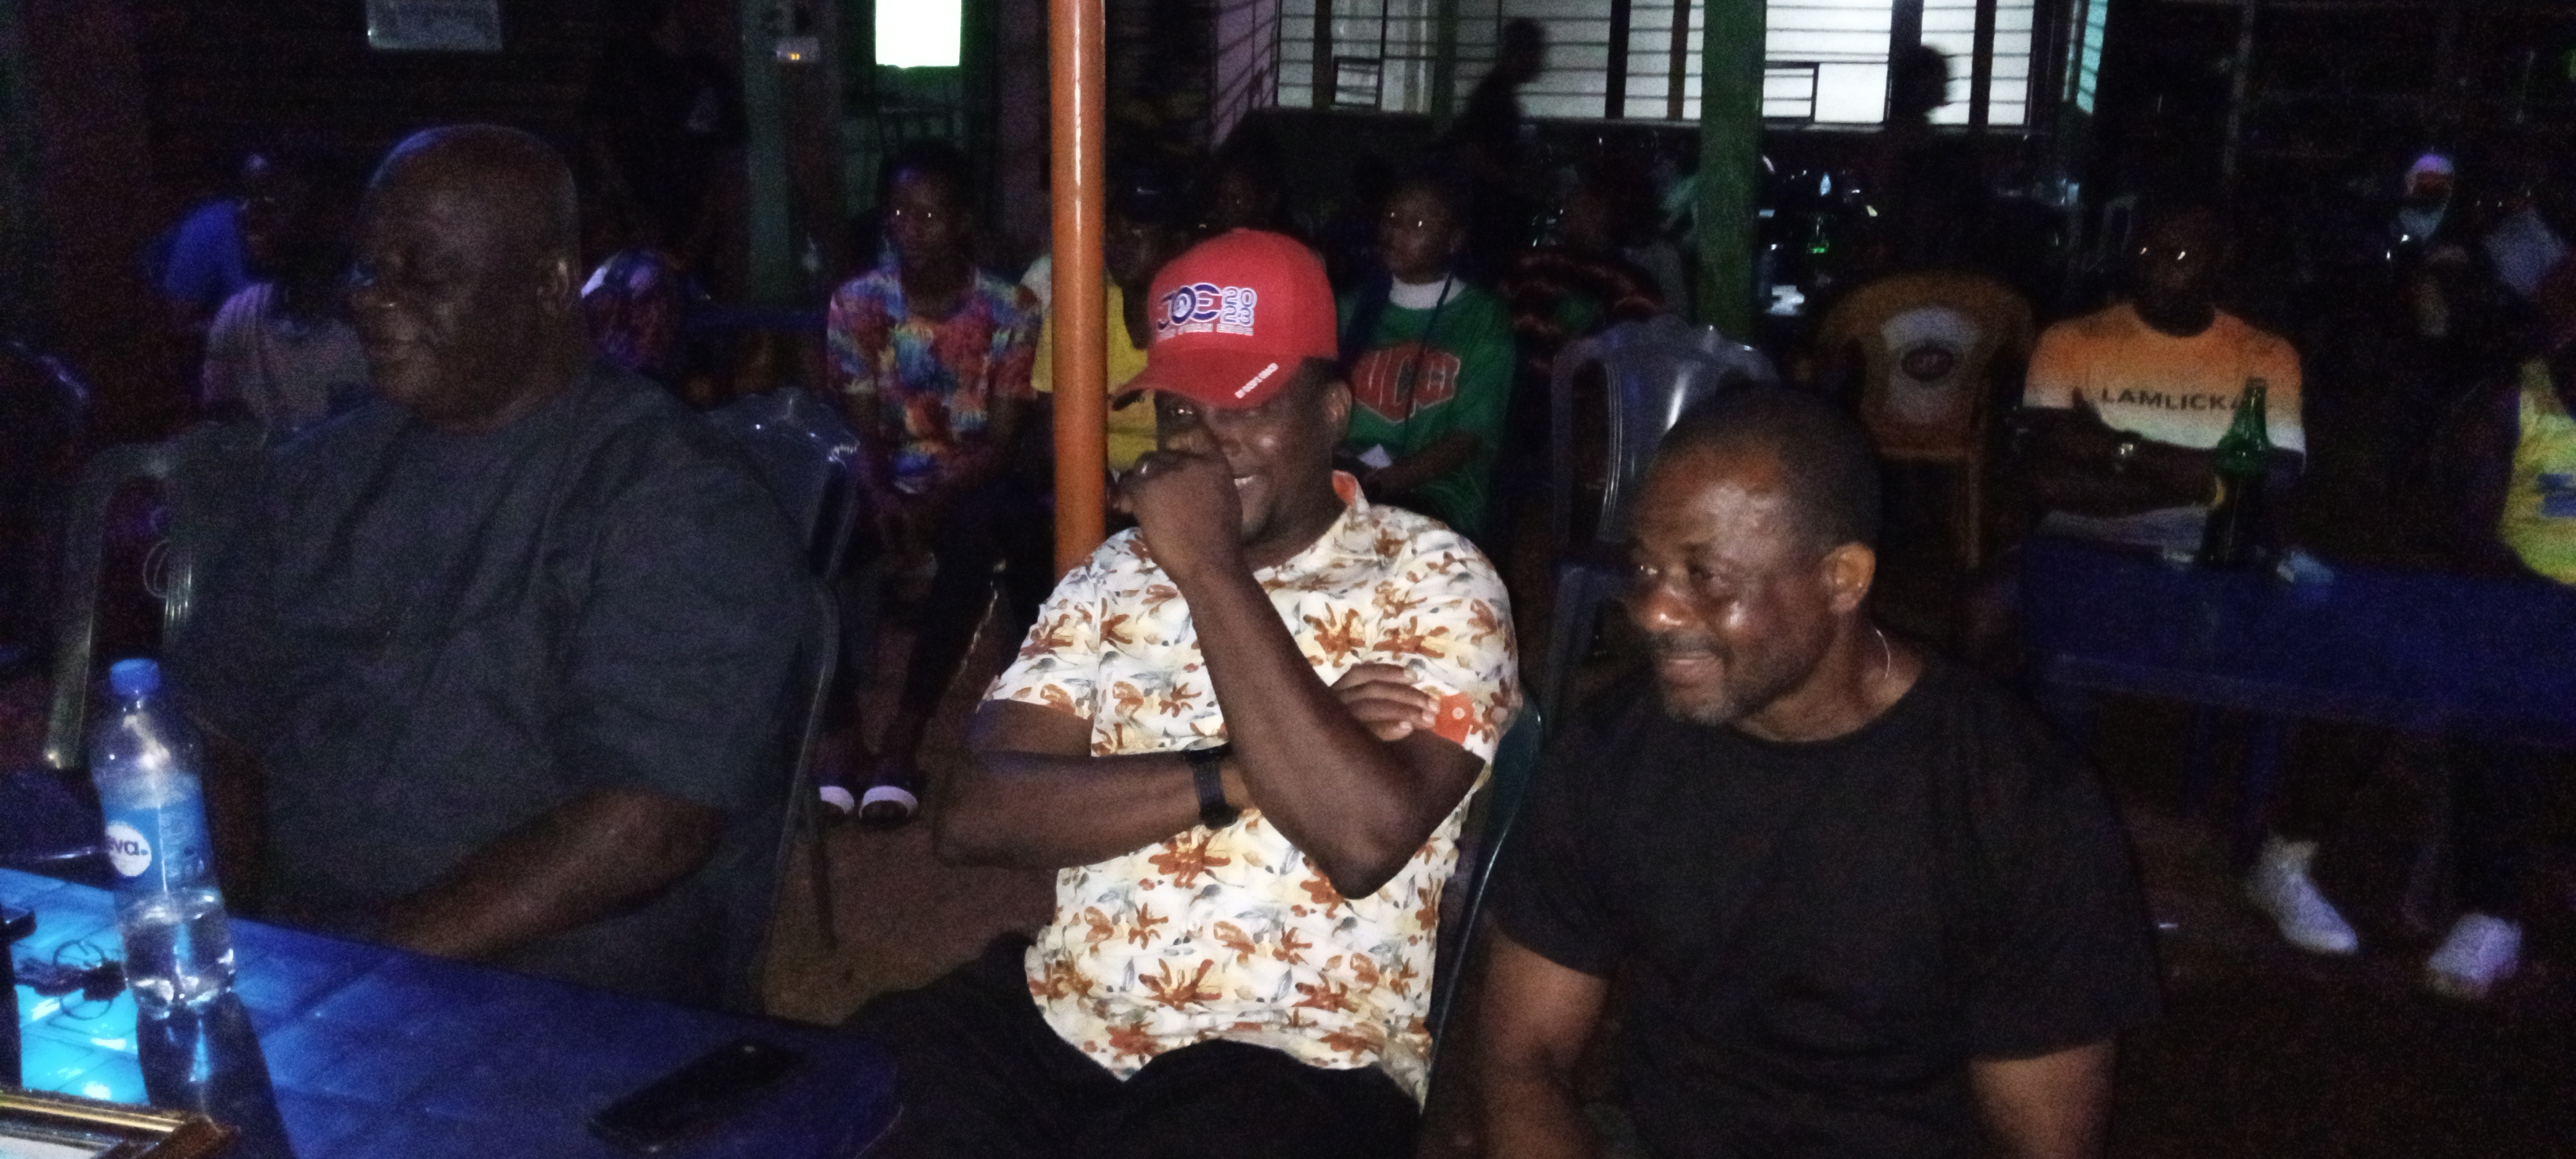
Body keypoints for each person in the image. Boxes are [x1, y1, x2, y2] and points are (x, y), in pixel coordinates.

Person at [850, 228, 1519, 1158]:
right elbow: (977, 813)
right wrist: (1243, 772)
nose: (1205, 442)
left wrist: (1208, 568)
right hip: (1068, 1010)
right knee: (834, 1101)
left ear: (1333, 410)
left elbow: (1363, 837)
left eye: (1246, 406)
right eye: (1179, 412)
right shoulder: (1116, 573)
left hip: (1297, 1052)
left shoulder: (1435, 579)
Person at [173, 126, 812, 1007]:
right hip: (311, 944)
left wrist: (351, 972)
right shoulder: (316, 474)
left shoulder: (674, 497)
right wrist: (230, 938)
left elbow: (650, 823)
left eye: (426, 275)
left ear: (550, 286)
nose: (372, 299)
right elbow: (216, 721)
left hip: (554, 969)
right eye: (368, 268)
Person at [1478, 386, 2160, 1159]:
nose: (1652, 611)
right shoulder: (1610, 754)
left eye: (1705, 576)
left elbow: (2044, 1145)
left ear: (1842, 579)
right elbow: (1523, 1058)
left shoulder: (2016, 801)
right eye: (1646, 568)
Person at [2014, 206, 2337, 954]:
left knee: (2310, 651)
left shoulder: (2262, 353)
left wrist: (2114, 448)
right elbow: (2049, 481)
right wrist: (2208, 477)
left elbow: (2274, 480)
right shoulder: (2074, 340)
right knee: (2044, 645)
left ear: (2221, 265)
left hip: (2214, 548)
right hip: (2087, 540)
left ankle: (2268, 856)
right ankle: (2059, 843)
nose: (2160, 266)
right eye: (2150, 249)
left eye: (2184, 254)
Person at [825, 141, 1047, 825]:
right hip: (882, 475)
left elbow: (1003, 441)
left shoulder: (1010, 308)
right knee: (807, 545)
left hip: (971, 479)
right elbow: (861, 427)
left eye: (928, 215)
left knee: (978, 538)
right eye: (897, 212)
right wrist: (884, 496)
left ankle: (906, 733)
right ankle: (839, 735)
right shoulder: (858, 302)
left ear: (963, 221)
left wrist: (935, 503)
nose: (909, 229)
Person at [1337, 172, 1516, 540]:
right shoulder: (1352, 307)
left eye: (1418, 224)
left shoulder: (1482, 317)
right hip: (1348, 476)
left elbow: (1469, 435)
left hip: (1437, 492)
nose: (1396, 231)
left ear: (1454, 240)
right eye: (1391, 218)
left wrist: (1387, 482)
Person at [200, 141, 371, 436]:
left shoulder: (373, 319)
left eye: (269, 201)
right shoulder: (238, 316)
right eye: (244, 198)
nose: (246, 214)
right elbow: (223, 436)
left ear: (331, 216)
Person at [1030, 167, 1194, 474]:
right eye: (1113, 228)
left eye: (1137, 228)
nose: (1119, 239)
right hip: (1093, 483)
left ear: (1178, 241)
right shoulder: (1077, 314)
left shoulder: (1201, 323)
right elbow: (1052, 429)